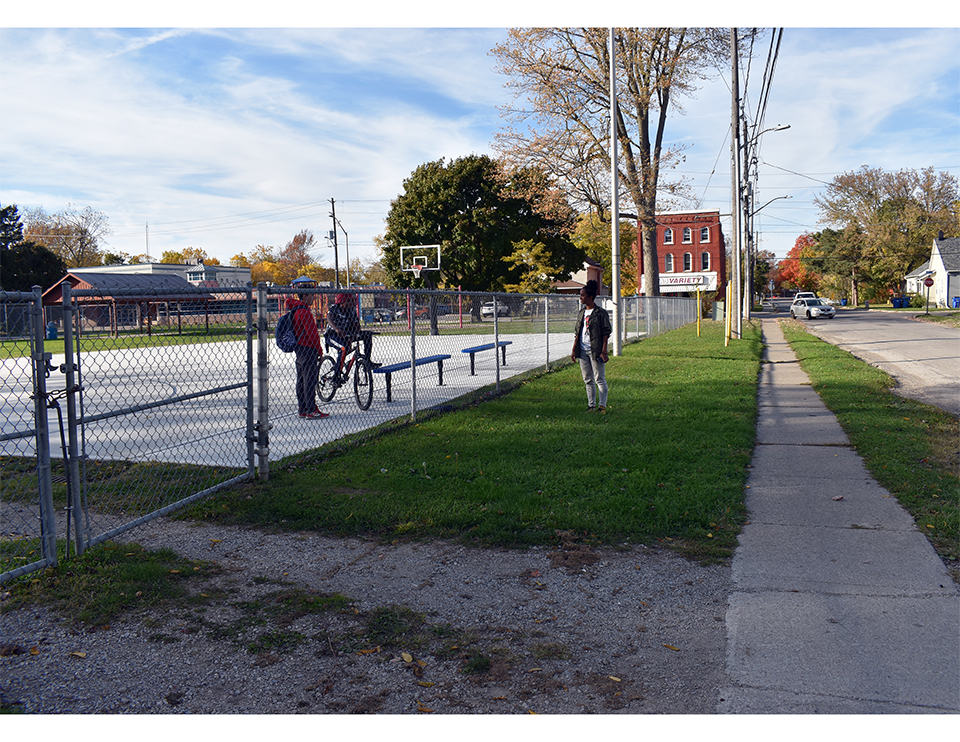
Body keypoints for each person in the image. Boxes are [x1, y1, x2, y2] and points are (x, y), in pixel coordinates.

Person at [286, 282, 329, 419]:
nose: (314, 298)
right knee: (310, 380)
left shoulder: (295, 310)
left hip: (299, 348)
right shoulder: (304, 312)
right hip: (308, 349)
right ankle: (311, 409)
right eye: (312, 295)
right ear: (305, 295)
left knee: (301, 379)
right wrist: (319, 350)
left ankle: (303, 408)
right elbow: (313, 334)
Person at [570, 279, 611, 413]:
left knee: (599, 378)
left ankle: (602, 406)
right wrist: (574, 349)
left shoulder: (600, 313)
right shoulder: (581, 312)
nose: (580, 297)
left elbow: (606, 333)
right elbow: (578, 332)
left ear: (590, 297)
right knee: (588, 379)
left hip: (596, 350)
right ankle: (591, 406)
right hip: (582, 350)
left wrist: (604, 351)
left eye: (582, 295)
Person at [326, 292, 380, 369]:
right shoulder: (334, 308)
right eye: (348, 301)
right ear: (342, 301)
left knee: (367, 335)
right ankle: (336, 377)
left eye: (352, 300)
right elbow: (329, 318)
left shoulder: (351, 310)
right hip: (332, 335)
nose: (351, 303)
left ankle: (367, 362)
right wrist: (337, 329)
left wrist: (356, 334)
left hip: (347, 334)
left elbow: (356, 324)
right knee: (343, 348)